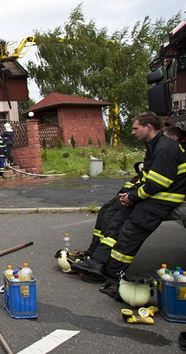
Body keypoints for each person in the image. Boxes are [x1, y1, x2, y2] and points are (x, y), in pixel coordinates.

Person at [72, 112, 186, 295]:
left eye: (135, 128)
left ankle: (112, 274)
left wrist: (133, 197)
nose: (132, 132)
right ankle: (96, 263)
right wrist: (129, 195)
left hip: (162, 199)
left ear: (148, 127)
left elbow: (159, 183)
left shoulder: (165, 148)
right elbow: (147, 178)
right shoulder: (155, 145)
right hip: (151, 196)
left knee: (129, 233)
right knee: (116, 220)